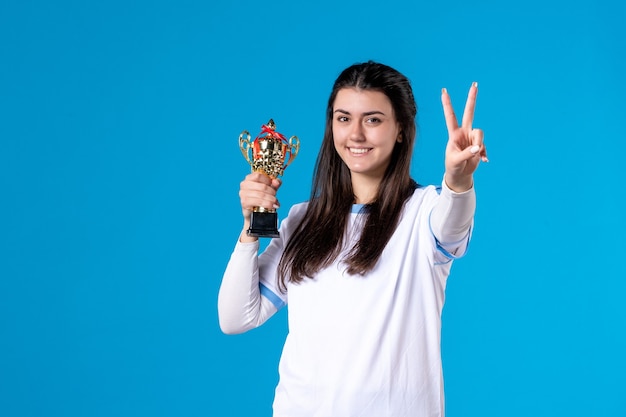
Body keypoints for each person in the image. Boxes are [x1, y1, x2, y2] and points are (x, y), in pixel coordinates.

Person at [218, 60, 487, 417]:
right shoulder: (303, 220)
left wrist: (458, 178)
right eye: (343, 118)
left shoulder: (424, 212)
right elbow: (236, 317)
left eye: (373, 119)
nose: (355, 135)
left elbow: (453, 221)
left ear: (402, 130)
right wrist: (252, 229)